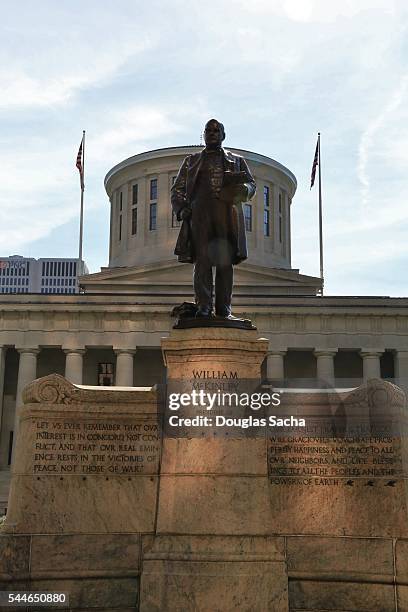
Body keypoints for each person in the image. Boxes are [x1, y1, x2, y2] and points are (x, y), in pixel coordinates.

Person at [171, 119, 256, 318]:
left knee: (225, 262)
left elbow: (251, 185)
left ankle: (224, 309)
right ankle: (204, 306)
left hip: (227, 214)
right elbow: (177, 189)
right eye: (208, 131)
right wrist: (182, 208)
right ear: (204, 134)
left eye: (216, 131)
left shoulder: (236, 160)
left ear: (223, 135)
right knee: (202, 261)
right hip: (200, 214)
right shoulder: (191, 161)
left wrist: (244, 189)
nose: (212, 133)